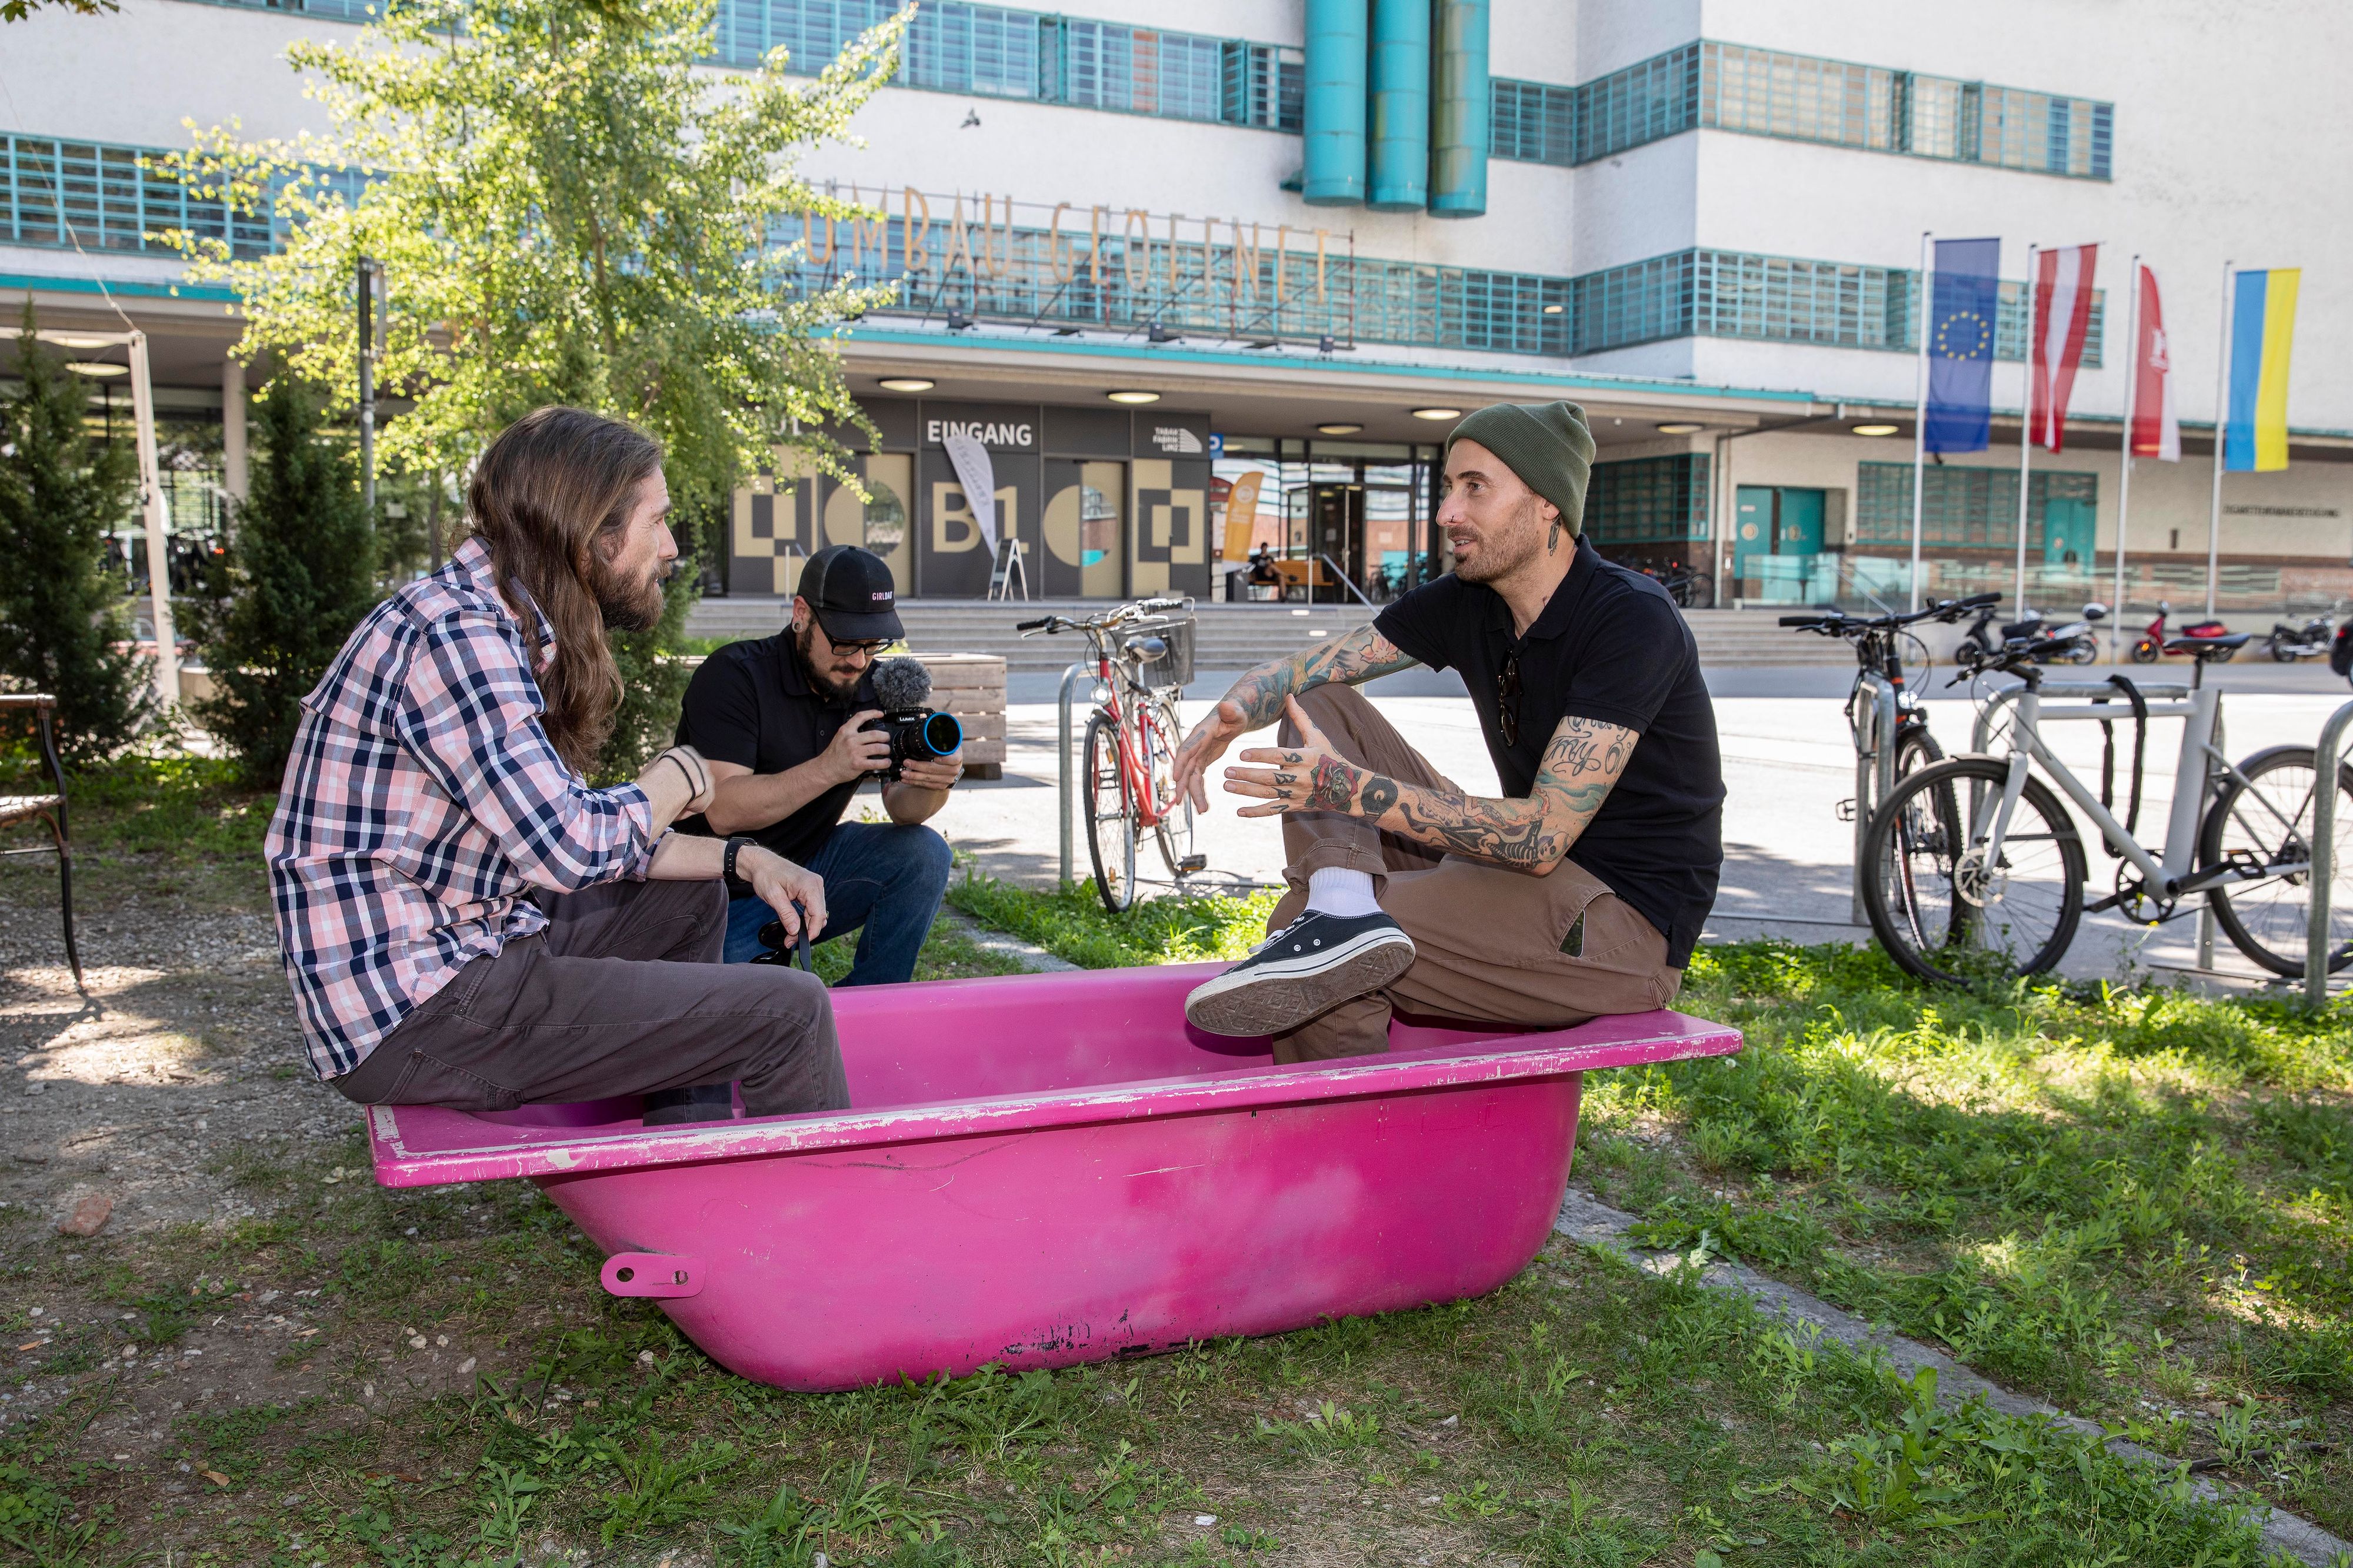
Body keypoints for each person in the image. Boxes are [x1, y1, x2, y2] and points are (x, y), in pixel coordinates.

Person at [266, 406, 848, 1123]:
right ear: (593, 534)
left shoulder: (485, 620)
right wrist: (681, 774)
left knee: (694, 895)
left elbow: (556, 827)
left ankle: (684, 1154)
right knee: (788, 1012)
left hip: (466, 942)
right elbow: (568, 846)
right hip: (415, 1008)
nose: (670, 547)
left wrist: (741, 857)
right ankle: (805, 1228)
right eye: (657, 521)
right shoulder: (458, 637)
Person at [1169, 400, 1724, 1060]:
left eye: (1474, 488)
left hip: (1617, 925)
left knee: (1311, 944)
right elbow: (1315, 670)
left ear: (1547, 502)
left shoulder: (1629, 619)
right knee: (1319, 701)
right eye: (1447, 488)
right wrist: (1235, 710)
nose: (1446, 514)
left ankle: (1349, 1150)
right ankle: (1341, 901)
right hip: (1519, 879)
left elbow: (1542, 836)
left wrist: (1347, 790)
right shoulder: (1473, 597)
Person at [673, 545, 962, 978]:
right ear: (802, 613)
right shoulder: (734, 677)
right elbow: (724, 811)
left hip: (808, 874)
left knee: (924, 853)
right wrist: (830, 767)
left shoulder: (873, 687)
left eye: (872, 644)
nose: (858, 662)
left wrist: (933, 781)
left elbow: (903, 810)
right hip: (719, 898)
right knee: (749, 1021)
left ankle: (875, 1007)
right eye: (845, 642)